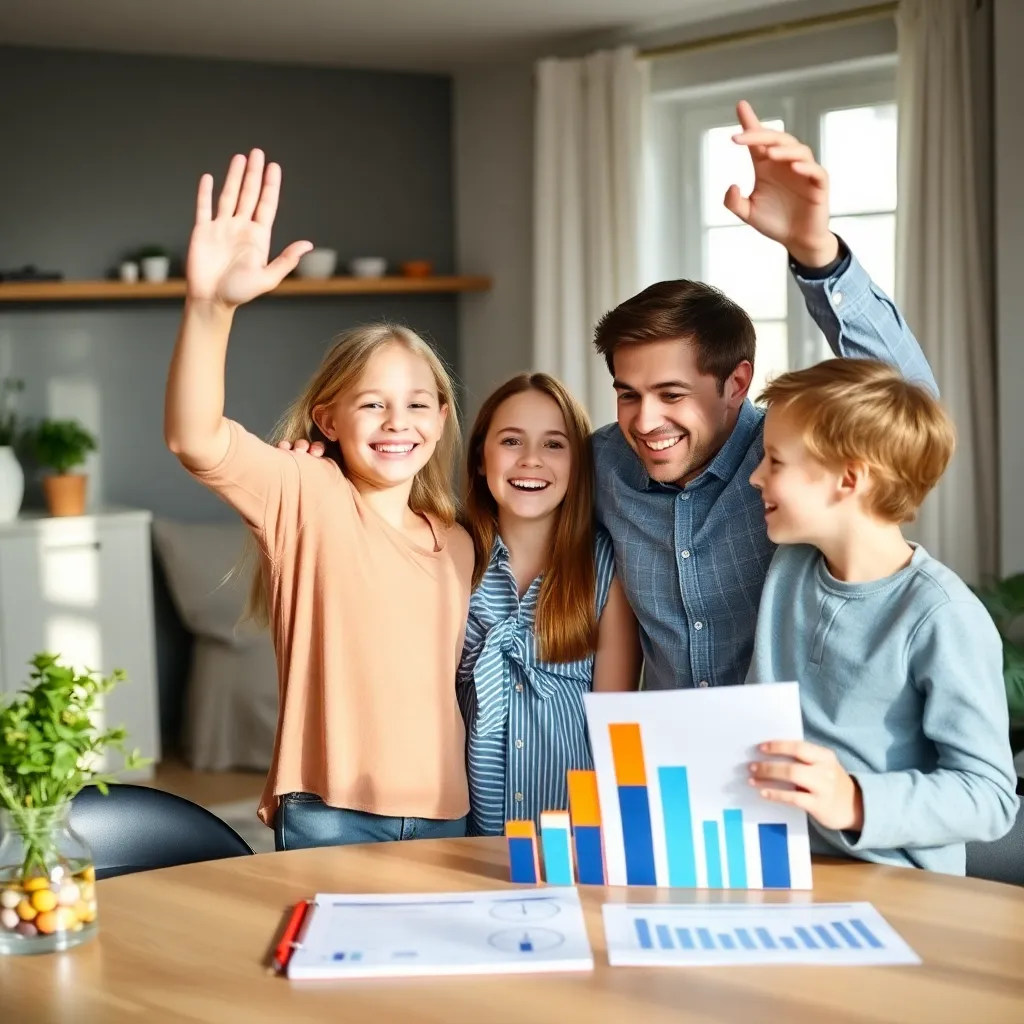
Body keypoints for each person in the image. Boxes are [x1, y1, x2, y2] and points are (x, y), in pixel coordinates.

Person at [284, 100, 938, 692]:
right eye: (628, 393)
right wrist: (333, 469)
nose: (645, 421)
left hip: (794, 769)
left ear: (736, 383)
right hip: (669, 772)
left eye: (672, 394)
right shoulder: (603, 466)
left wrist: (817, 254)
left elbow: (908, 412)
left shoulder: (786, 464)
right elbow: (499, 491)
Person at [164, 150, 475, 850]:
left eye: (419, 404)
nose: (399, 423)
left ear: (443, 418)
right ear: (329, 421)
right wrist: (209, 307)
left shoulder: (461, 540)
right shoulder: (307, 493)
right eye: (373, 404)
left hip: (450, 810)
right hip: (331, 814)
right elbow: (194, 438)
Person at [744, 359, 1018, 873]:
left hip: (895, 887)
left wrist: (853, 800)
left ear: (848, 479)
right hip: (778, 867)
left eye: (775, 461)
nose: (756, 477)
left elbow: (991, 797)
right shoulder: (789, 566)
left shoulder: (942, 616)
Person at [457, 373, 641, 835]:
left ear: (578, 465)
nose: (532, 460)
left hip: (572, 835)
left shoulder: (606, 568)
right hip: (461, 835)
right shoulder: (449, 557)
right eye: (512, 441)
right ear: (482, 458)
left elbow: (612, 722)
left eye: (554, 445)